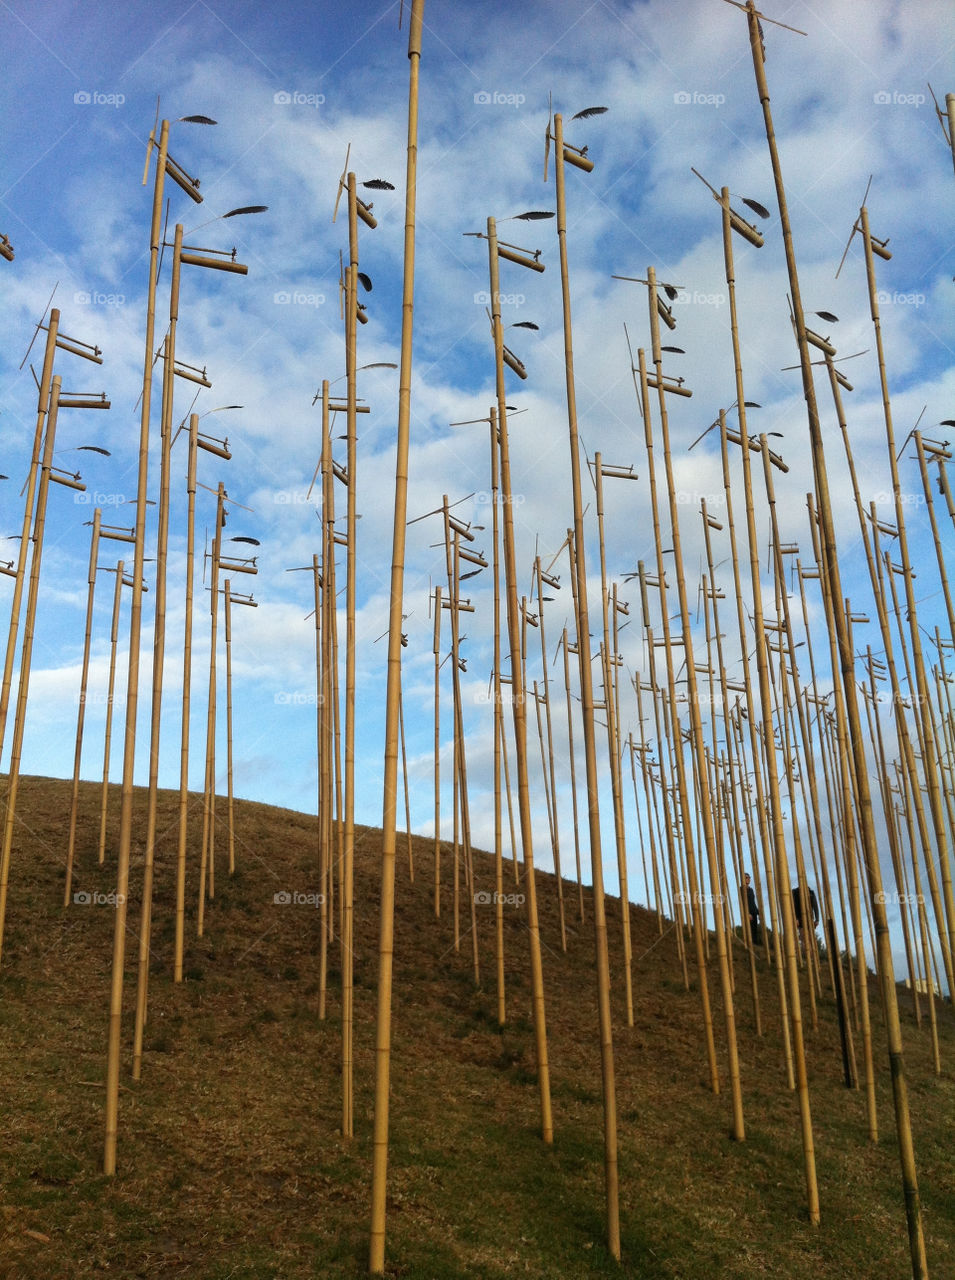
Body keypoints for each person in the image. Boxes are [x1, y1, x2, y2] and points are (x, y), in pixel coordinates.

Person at [743, 872, 760, 945]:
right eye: (746, 878)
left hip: (754, 912)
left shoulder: (751, 890)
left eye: (749, 878)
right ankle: (750, 944)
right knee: (749, 930)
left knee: (754, 930)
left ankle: (755, 944)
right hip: (748, 913)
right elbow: (743, 903)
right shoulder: (742, 889)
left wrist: (758, 912)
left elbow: (753, 902)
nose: (748, 879)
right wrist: (747, 913)